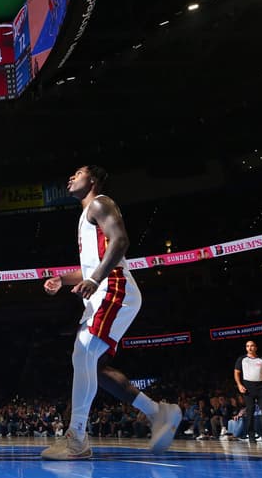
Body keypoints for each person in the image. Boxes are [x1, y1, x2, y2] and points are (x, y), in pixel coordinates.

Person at [40, 166, 181, 460]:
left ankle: (76, 438)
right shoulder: (85, 215)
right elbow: (90, 266)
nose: (70, 177)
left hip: (113, 286)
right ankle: (158, 412)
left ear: (92, 180)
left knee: (82, 353)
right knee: (96, 369)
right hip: (104, 286)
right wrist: (64, 279)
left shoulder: (100, 203)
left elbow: (120, 241)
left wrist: (94, 279)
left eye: (76, 173)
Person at [234, 340, 262, 444]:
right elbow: (236, 372)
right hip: (248, 388)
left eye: (251, 346)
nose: (249, 348)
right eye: (247, 346)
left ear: (256, 347)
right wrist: (239, 385)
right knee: (250, 411)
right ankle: (251, 436)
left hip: (261, 387)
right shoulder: (242, 359)